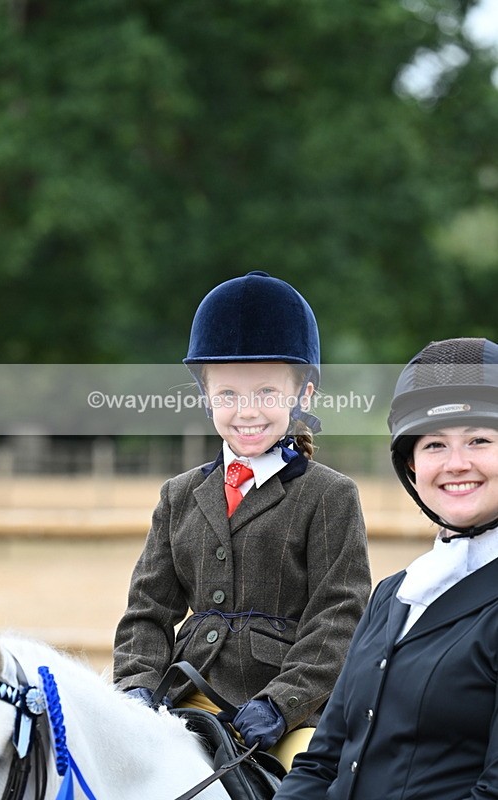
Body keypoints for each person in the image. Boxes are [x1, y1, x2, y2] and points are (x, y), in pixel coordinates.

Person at [113, 270, 371, 770]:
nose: (245, 411)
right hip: (185, 695)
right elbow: (147, 611)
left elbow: (339, 614)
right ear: (205, 395)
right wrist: (137, 688)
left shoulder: (330, 495)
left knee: (317, 777)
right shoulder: (179, 495)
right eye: (228, 394)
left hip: (287, 713)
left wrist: (282, 703)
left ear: (304, 395)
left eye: (266, 393)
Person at [273, 336, 498, 798]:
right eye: (434, 444)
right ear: (412, 466)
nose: (456, 464)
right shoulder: (393, 594)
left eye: (478, 440)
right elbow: (322, 759)